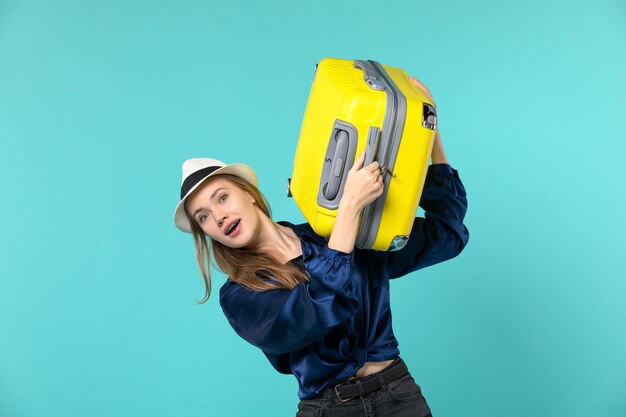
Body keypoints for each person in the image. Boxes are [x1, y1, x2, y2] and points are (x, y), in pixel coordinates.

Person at [173, 79, 469, 417]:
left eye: (222, 197)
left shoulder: (329, 231)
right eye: (204, 217)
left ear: (250, 194)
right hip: (329, 410)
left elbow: (446, 234)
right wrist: (348, 213)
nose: (220, 216)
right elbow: (316, 311)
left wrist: (429, 130)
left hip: (398, 397)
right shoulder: (239, 295)